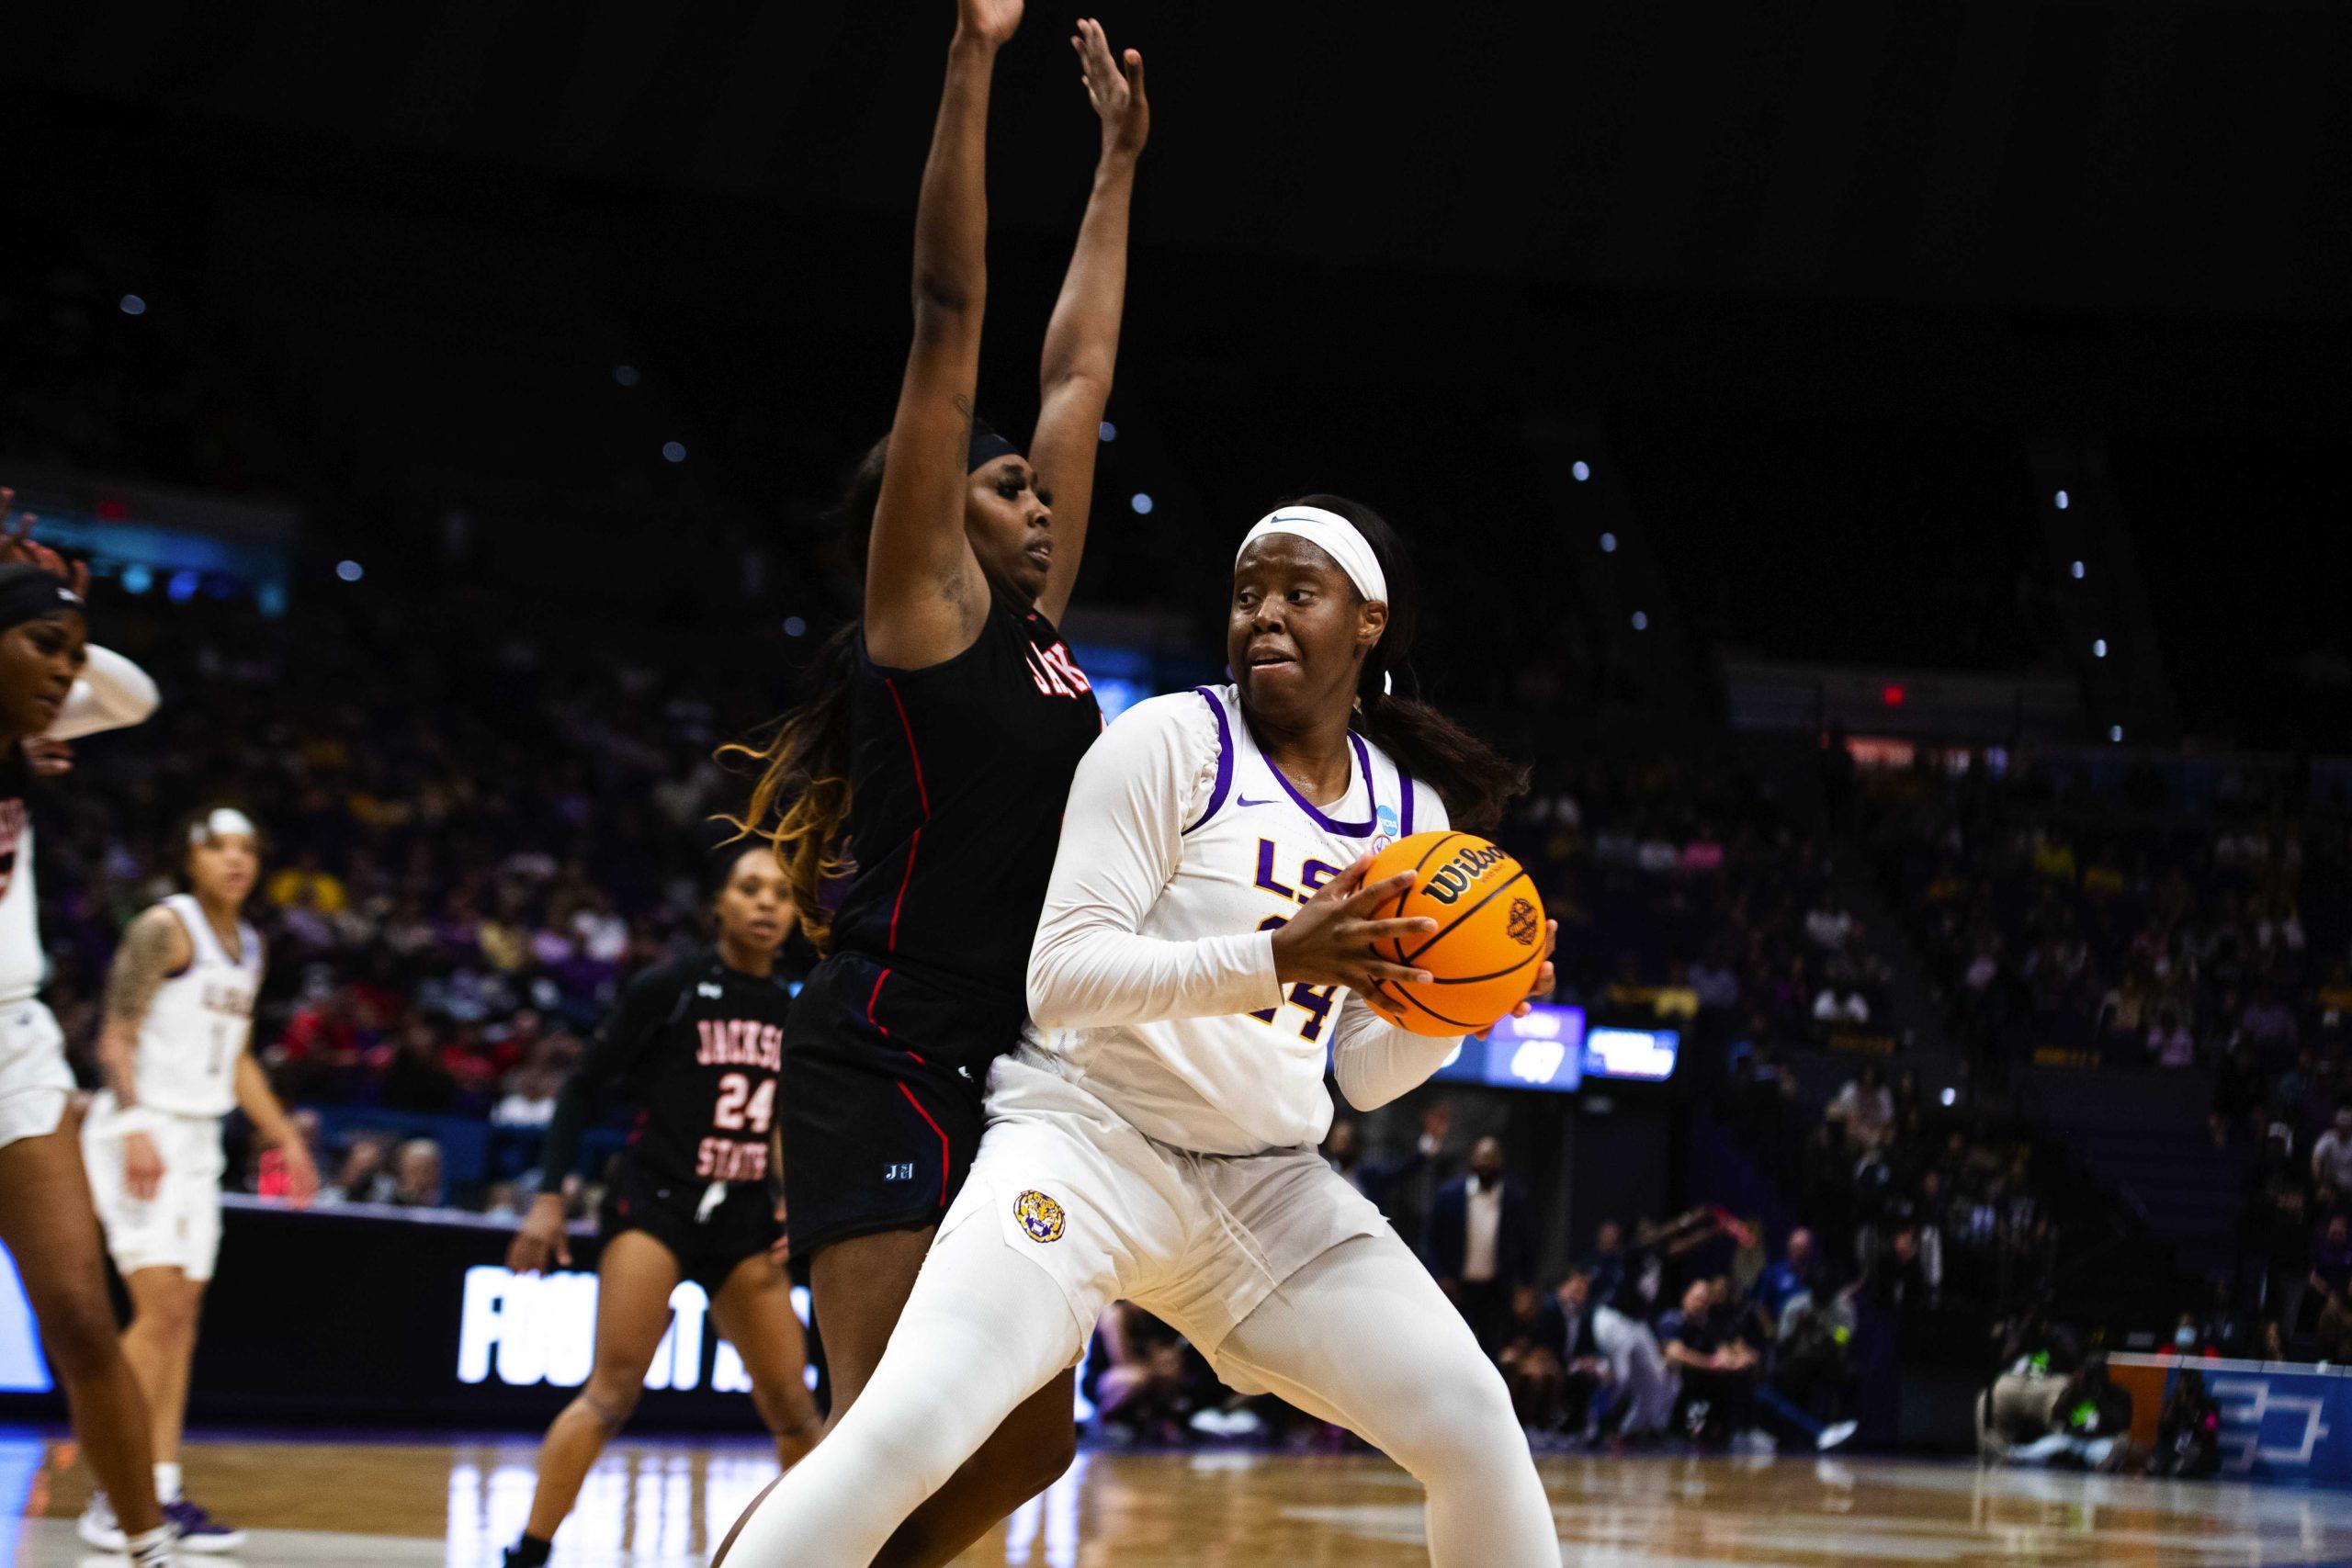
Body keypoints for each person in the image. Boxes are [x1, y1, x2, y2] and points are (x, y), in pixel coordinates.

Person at [718, 492, 1559, 1567]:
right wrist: (1275, 957)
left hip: (1264, 1183)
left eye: (1299, 594)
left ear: (1368, 622)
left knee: (1474, 1422)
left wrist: (1463, 1006)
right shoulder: (1172, 739)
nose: (1262, 615)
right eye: (1247, 593)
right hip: (1084, 1147)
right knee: (904, 1428)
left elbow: (1363, 1072)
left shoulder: (1414, 816)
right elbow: (1060, 978)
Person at [718, 6, 1148, 1561]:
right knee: (879, 1442)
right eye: (1007, 482)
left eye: (1038, 486)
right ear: (930, 507)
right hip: (883, 1055)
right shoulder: (922, 616)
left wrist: (1116, 163)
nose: (1041, 500)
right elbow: (951, 308)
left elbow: (1081, 369)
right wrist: (972, 58)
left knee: (1030, 1430)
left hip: (999, 1075)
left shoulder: (1036, 640)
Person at [501, 847, 821, 1568]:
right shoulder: (671, 987)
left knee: (795, 1410)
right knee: (613, 1391)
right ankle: (528, 1552)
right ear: (719, 904)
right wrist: (549, 1195)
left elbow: (783, 1120)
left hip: (742, 1217)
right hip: (656, 1201)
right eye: (749, 888)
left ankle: (823, 1553)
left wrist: (796, 1201)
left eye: (779, 891)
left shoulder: (798, 1004)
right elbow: (581, 1085)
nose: (766, 903)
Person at [0, 520, 177, 1567]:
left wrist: (44, 617)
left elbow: (133, 695)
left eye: (73, 656)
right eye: (45, 651)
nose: (69, 675)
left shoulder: (27, 740)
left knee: (78, 1309)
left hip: (13, 1043)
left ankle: (144, 1549)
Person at [77, 808, 319, 1553]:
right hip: (140, 1128)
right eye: (220, 847)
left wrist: (286, 1140)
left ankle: (162, 1486)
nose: (236, 860)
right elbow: (114, 1034)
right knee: (158, 1308)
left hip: (198, 1138)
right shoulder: (163, 926)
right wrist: (136, 1122)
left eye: (248, 847)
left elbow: (238, 1059)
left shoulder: (251, 945)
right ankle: (109, 1495)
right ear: (192, 859)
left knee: (182, 1314)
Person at [1428, 1135, 1534, 1354]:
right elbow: (1431, 1239)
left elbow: (1528, 1245)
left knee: (1491, 1350)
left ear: (1501, 1161)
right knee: (1452, 1349)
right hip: (1456, 1287)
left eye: (1491, 1158)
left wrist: (1526, 1286)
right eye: (1481, 1157)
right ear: (1472, 1160)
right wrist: (1439, 1276)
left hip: (1495, 1289)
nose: (1486, 1163)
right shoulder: (1449, 1195)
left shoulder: (1516, 1199)